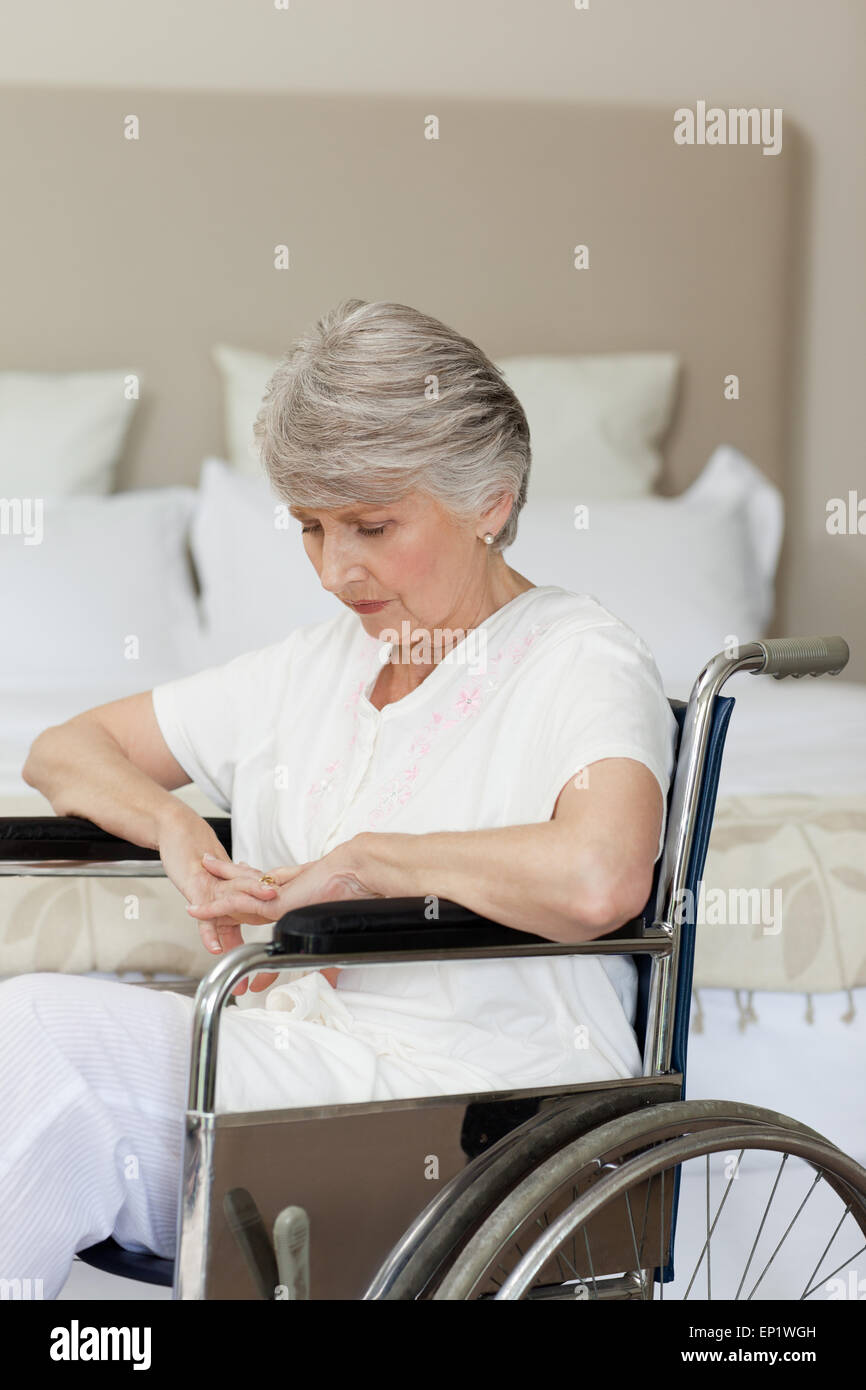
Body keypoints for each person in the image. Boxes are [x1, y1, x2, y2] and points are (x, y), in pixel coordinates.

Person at [4, 298, 677, 1297]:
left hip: (477, 1112)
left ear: (488, 499)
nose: (333, 569)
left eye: (371, 525)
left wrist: (369, 859)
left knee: (44, 1050)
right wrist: (173, 821)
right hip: (291, 1076)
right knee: (28, 1049)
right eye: (309, 527)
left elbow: (599, 874)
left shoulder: (577, 657)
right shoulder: (308, 669)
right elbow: (65, 748)